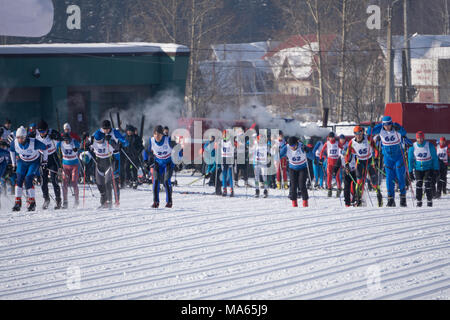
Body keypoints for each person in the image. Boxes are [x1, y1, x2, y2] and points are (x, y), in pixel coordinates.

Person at [367, 116, 409, 207]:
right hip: (387, 157)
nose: (387, 127)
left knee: (400, 176)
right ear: (383, 124)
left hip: (398, 155)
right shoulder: (380, 128)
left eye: (389, 124)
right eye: (385, 125)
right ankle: (390, 200)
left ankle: (403, 199)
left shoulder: (395, 126)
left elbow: (404, 132)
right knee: (389, 178)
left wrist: (399, 129)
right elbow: (368, 132)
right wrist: (370, 126)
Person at [10, 126, 48, 211]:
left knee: (28, 179)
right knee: (19, 180)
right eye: (18, 138)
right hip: (22, 162)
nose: (20, 140)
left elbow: (45, 148)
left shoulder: (33, 142)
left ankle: (32, 202)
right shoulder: (15, 142)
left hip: (33, 162)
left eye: (22, 138)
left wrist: (45, 161)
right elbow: (11, 150)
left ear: (26, 137)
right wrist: (14, 164)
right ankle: (17, 203)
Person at [93, 120, 129, 205]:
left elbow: (125, 143)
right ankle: (105, 201)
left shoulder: (114, 132)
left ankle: (116, 201)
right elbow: (91, 141)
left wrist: (115, 142)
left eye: (107, 129)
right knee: (101, 182)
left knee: (114, 180)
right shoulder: (98, 133)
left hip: (115, 157)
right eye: (104, 129)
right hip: (102, 158)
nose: (106, 131)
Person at [345, 126, 382, 207]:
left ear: (362, 132)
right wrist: (347, 163)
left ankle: (379, 196)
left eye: (360, 133)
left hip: (369, 161)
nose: (358, 135)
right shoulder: (352, 142)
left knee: (374, 182)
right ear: (354, 134)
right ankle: (358, 199)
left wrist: (376, 158)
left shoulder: (368, 139)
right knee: (359, 182)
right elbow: (347, 154)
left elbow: (375, 149)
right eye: (356, 134)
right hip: (360, 162)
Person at [146, 125, 178, 208]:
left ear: (162, 135)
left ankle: (169, 202)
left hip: (168, 163)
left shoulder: (168, 140)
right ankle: (155, 202)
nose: (157, 136)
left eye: (159, 134)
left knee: (166, 181)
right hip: (158, 163)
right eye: (155, 134)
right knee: (156, 181)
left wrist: (179, 161)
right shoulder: (151, 140)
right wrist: (146, 161)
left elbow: (178, 149)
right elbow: (147, 151)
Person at [36, 120, 63, 209]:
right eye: (40, 131)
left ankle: (58, 200)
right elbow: (26, 138)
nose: (42, 133)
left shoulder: (52, 132)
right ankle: (46, 199)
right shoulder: (35, 134)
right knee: (43, 181)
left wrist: (55, 137)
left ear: (47, 130)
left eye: (44, 131)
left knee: (54, 180)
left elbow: (60, 137)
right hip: (42, 157)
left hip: (52, 158)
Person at [408, 131, 439, 207]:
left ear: (423, 138)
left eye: (421, 138)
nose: (420, 140)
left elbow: (435, 158)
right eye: (418, 138)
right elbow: (410, 160)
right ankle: (419, 201)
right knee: (419, 184)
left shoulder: (429, 145)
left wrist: (436, 169)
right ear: (416, 138)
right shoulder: (413, 147)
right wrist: (410, 171)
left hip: (428, 168)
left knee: (427, 183)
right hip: (418, 168)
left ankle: (429, 201)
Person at [89, 132, 117, 208]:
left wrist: (111, 141)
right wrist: (87, 142)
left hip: (108, 164)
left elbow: (117, 149)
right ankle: (103, 201)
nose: (99, 142)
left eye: (100, 140)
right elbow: (84, 148)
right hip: (99, 165)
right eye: (97, 140)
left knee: (107, 182)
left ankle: (109, 201)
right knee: (99, 184)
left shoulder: (108, 142)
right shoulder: (94, 143)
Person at [57, 133, 81, 209]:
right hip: (65, 165)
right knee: (64, 183)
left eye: (67, 140)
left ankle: (77, 200)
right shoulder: (61, 142)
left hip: (74, 165)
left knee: (74, 182)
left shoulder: (74, 141)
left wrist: (76, 149)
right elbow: (55, 148)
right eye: (65, 140)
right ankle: (65, 201)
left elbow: (79, 146)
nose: (66, 142)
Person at [286, 136, 311, 207]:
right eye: (291, 146)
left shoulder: (302, 147)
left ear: (297, 143)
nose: (292, 147)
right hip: (292, 168)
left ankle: (305, 202)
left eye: (293, 145)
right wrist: (277, 152)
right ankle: (294, 203)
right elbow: (279, 155)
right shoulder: (287, 147)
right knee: (293, 186)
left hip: (302, 168)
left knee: (302, 185)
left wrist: (307, 151)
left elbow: (311, 155)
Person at [319, 132, 342, 197]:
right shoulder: (327, 143)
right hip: (329, 162)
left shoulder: (337, 143)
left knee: (337, 177)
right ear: (328, 138)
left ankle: (339, 189)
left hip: (336, 162)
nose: (331, 139)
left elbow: (343, 148)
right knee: (329, 177)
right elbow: (322, 151)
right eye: (330, 137)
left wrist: (343, 154)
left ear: (334, 137)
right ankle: (329, 189)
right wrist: (321, 158)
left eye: (332, 137)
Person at [123, 124, 144, 189]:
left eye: (130, 131)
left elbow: (141, 147)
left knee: (134, 169)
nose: (129, 132)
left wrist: (138, 152)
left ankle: (135, 180)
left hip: (134, 156)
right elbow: (123, 145)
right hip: (127, 155)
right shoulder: (125, 138)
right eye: (128, 131)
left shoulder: (136, 138)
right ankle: (128, 180)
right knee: (126, 168)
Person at [251, 133, 270, 198]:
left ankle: (265, 190)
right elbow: (251, 151)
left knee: (264, 177)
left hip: (263, 163)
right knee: (256, 178)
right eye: (259, 140)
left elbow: (270, 152)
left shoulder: (266, 145)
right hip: (256, 163)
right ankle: (257, 190)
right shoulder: (255, 145)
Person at [220, 130, 235, 197]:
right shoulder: (221, 141)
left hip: (230, 159)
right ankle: (224, 190)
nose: (225, 136)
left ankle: (232, 190)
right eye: (224, 135)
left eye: (226, 135)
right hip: (223, 159)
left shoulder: (230, 141)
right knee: (224, 175)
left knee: (230, 175)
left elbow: (234, 145)